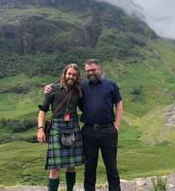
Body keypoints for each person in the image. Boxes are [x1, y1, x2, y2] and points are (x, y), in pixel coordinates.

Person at [45, 59, 123, 191]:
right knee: (90, 167)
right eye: (88, 71)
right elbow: (65, 87)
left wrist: (117, 126)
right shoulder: (81, 86)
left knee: (111, 166)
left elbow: (119, 104)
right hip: (88, 131)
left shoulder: (111, 85)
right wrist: (48, 88)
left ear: (99, 69)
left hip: (108, 130)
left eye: (93, 70)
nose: (91, 72)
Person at [38, 63, 84, 191]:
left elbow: (85, 107)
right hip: (57, 127)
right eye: (69, 74)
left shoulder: (78, 91)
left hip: (73, 126)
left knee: (71, 165)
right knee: (55, 167)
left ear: (77, 77)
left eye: (74, 75)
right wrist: (40, 129)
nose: (71, 77)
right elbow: (42, 110)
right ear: (64, 74)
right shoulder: (52, 89)